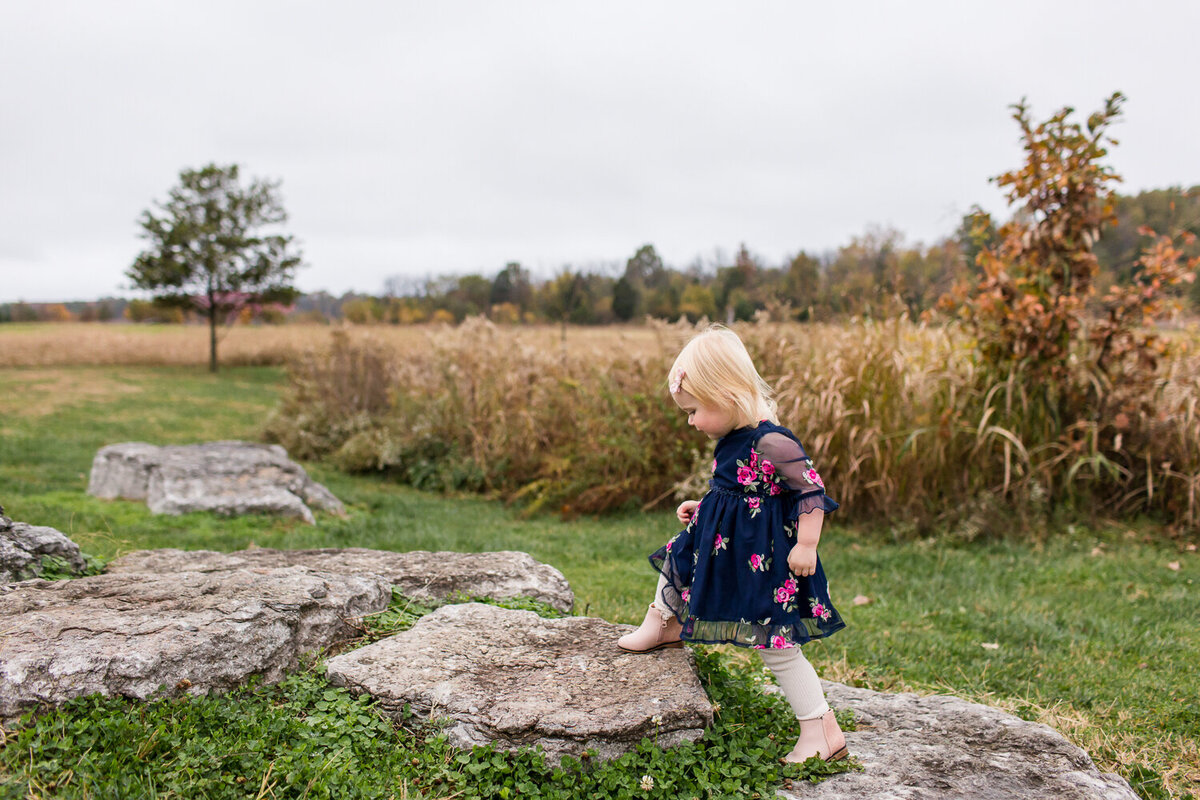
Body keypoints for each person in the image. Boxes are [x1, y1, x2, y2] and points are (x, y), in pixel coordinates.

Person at [617, 325, 848, 763]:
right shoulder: (732, 438)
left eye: (694, 409)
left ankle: (822, 729)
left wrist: (807, 545)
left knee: (775, 645)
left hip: (764, 561)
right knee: (676, 556)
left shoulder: (773, 440)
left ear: (726, 395)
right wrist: (702, 506)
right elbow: (736, 489)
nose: (690, 420)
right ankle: (663, 620)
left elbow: (811, 492)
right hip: (725, 543)